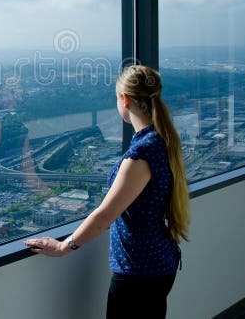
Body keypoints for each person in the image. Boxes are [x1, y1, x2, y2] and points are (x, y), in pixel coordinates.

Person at [24, 64, 190, 319]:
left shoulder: (141, 155)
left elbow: (104, 216)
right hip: (160, 261)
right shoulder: (162, 140)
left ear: (125, 100)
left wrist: (63, 247)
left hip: (139, 271)